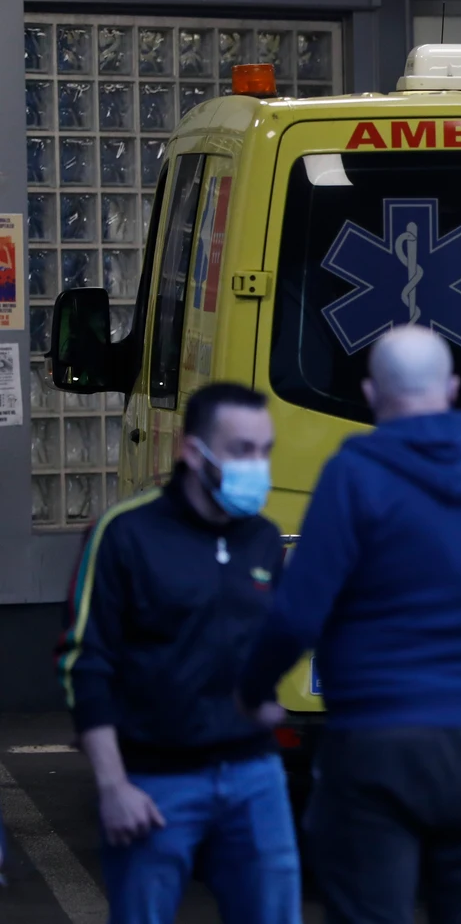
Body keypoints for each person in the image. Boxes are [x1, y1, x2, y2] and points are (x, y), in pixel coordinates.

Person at [239, 326, 461, 923]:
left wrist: (251, 692)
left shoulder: (355, 475)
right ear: (453, 388)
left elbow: (297, 613)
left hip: (373, 746)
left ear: (370, 391)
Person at [56, 382, 298, 923]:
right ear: (191, 451)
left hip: (254, 777)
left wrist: (263, 696)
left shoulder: (262, 538)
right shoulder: (123, 534)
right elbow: (83, 661)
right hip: (154, 784)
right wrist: (113, 785)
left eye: (265, 450)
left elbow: (267, 639)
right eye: (241, 450)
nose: (257, 466)